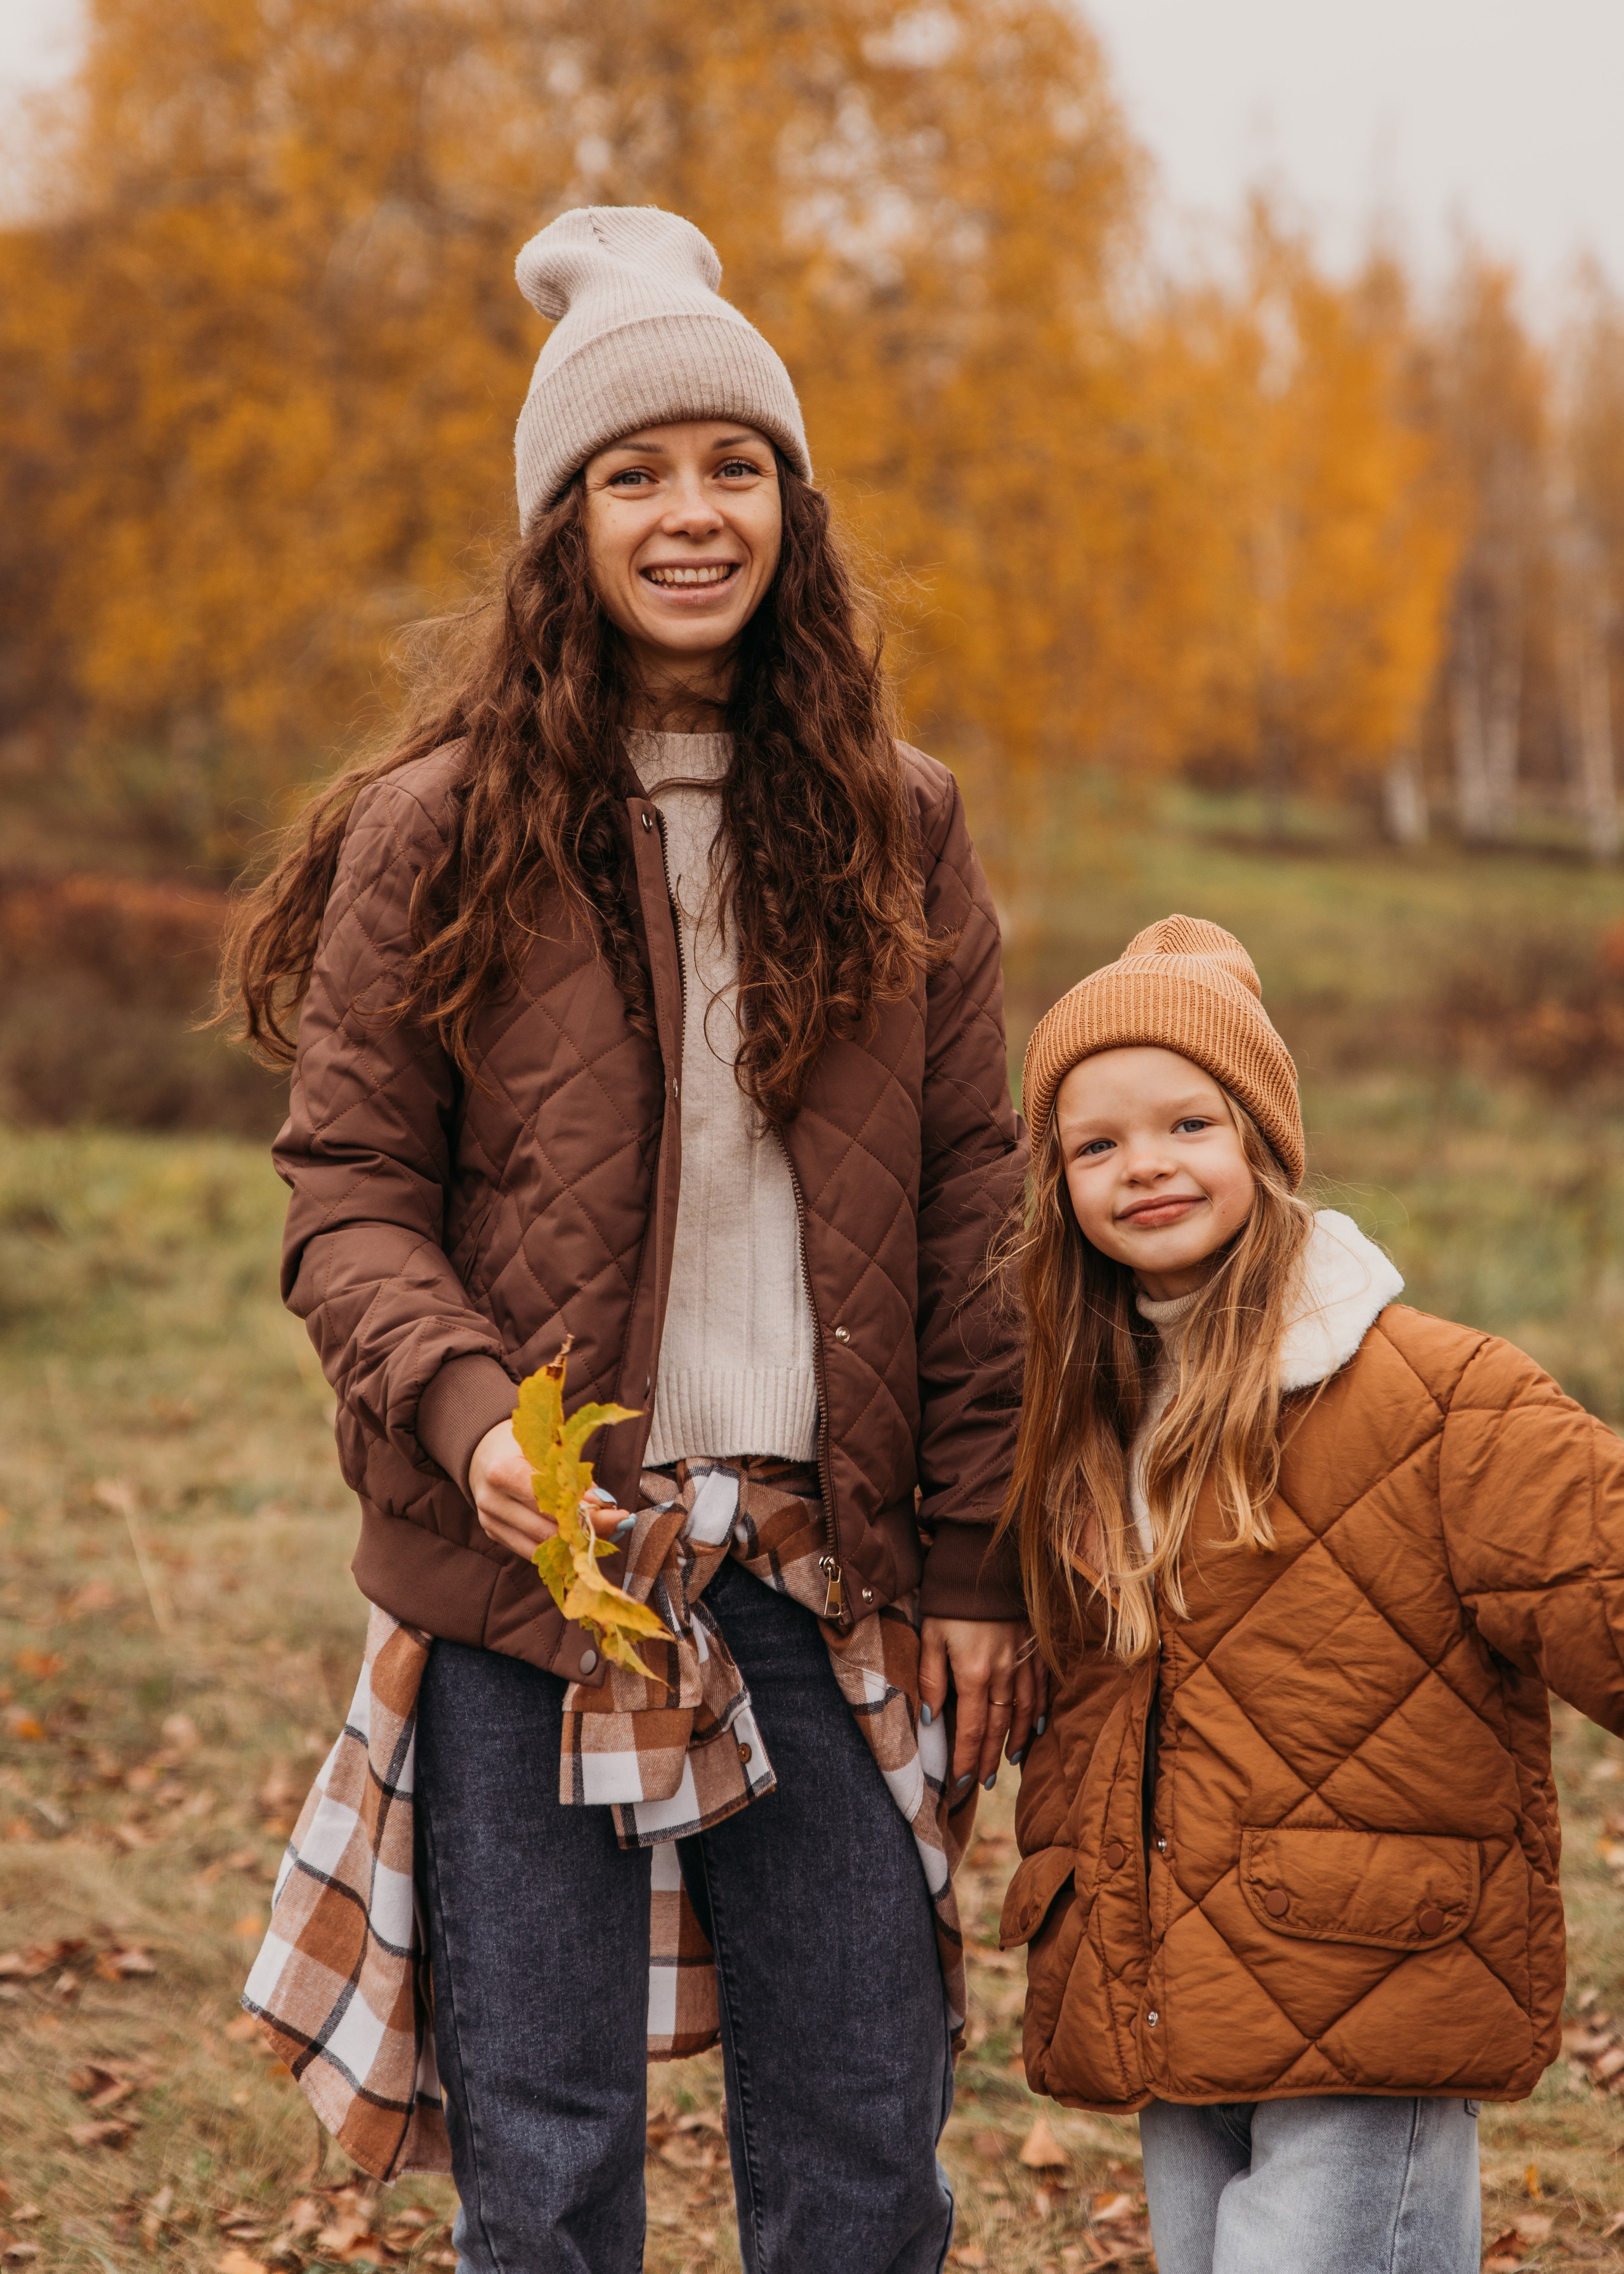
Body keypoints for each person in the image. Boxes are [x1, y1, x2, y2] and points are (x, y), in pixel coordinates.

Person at [224, 205, 1035, 2274]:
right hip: (538, 1582)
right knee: (554, 2147)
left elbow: (969, 1195)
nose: (691, 514)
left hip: (823, 1561)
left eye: (733, 464)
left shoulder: (896, 817)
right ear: (560, 525)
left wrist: (970, 1558)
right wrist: (475, 1407)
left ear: (793, 505)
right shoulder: (442, 822)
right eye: (634, 472)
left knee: (864, 2144)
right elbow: (349, 1191)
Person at [995, 913, 1624, 2274]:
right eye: (1094, 1143)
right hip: (1173, 1980)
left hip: (1373, 1966)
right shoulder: (1079, 1427)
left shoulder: (1435, 1395)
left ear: (1263, 1144)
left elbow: (1601, 1578)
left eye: (1186, 1124)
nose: (1143, 1165)